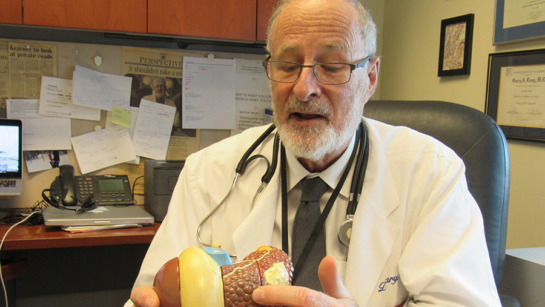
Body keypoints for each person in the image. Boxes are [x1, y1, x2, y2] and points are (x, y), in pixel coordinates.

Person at [128, 0, 502, 306]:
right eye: (288, 66)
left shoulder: (430, 173)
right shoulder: (207, 173)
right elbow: (151, 295)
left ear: (370, 78)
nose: (304, 88)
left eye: (332, 66)